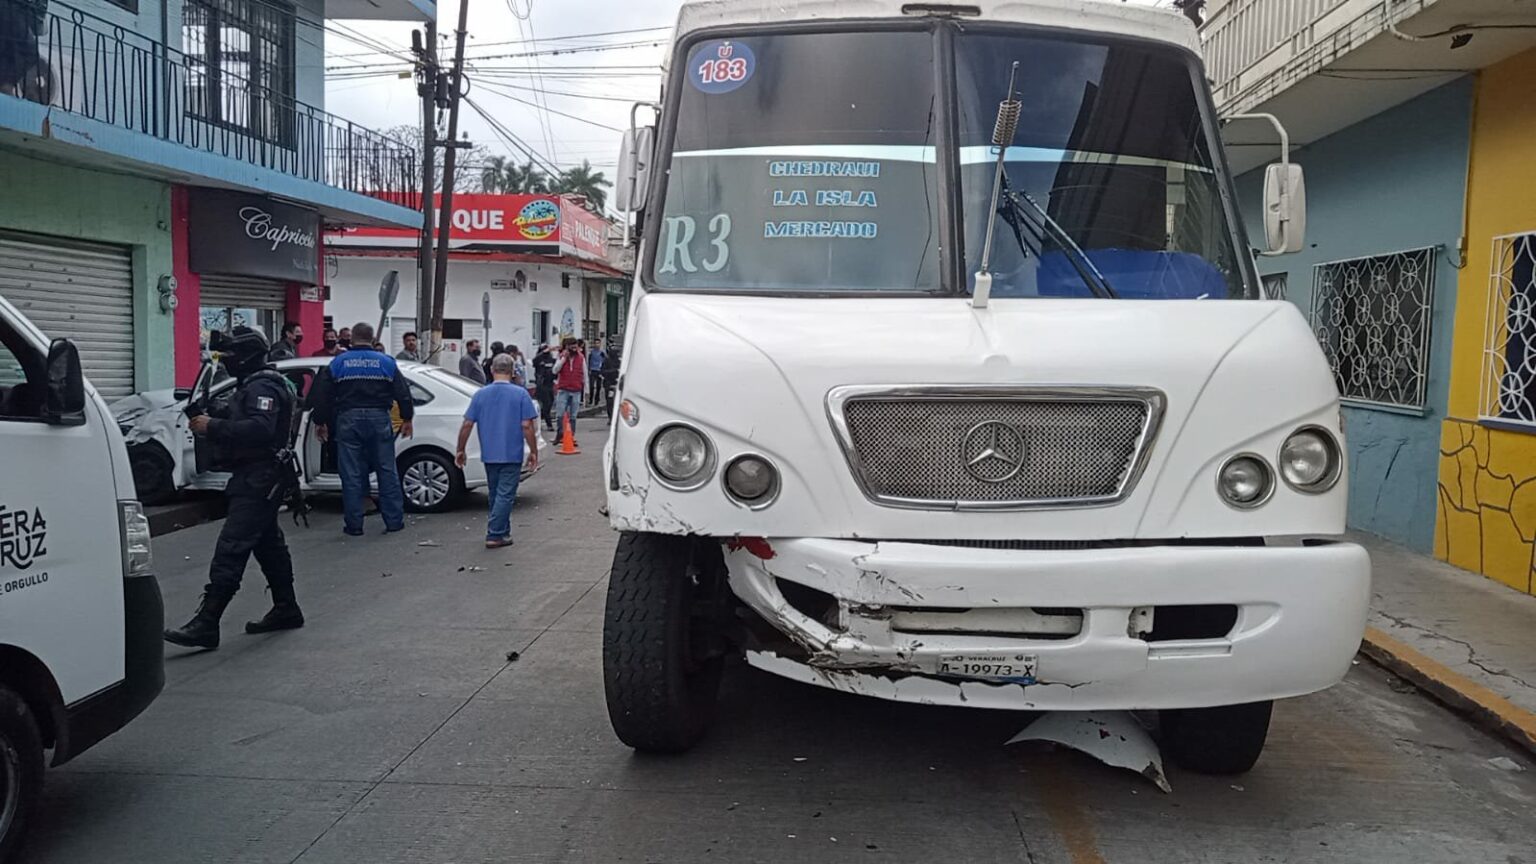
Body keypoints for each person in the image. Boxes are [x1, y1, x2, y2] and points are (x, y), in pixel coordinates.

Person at [165, 327, 304, 649]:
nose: (227, 362)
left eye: (230, 356)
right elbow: (248, 416)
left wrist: (212, 426)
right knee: (268, 546)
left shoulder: (263, 386)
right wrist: (215, 413)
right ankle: (286, 607)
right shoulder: (256, 385)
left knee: (232, 546)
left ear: (246, 358)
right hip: (259, 476)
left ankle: (207, 622)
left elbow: (260, 429)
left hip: (259, 477)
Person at [307, 322, 414, 536]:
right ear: (372, 339)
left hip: (348, 419)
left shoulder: (338, 363)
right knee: (386, 470)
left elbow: (322, 395)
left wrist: (321, 422)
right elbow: (403, 393)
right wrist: (406, 418)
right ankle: (394, 521)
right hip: (379, 419)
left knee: (351, 473)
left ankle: (354, 525)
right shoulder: (386, 362)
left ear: (352, 339)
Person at [455, 353, 540, 548]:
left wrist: (461, 449)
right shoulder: (520, 394)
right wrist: (533, 451)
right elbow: (527, 425)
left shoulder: (480, 394)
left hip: (489, 452)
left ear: (492, 370)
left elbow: (467, 424)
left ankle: (503, 531)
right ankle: (495, 534)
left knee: (495, 493)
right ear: (512, 372)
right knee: (505, 494)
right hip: (511, 452)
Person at [552, 338, 586, 443]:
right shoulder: (561, 357)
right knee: (560, 414)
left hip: (576, 389)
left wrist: (587, 391)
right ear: (567, 347)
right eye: (572, 346)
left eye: (575, 346)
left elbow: (585, 374)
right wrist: (563, 359)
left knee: (573, 415)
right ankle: (560, 434)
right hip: (563, 389)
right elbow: (555, 370)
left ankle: (571, 436)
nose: (574, 349)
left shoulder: (581, 358)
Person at [532, 343, 556, 431]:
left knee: (550, 403)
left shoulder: (551, 360)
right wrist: (542, 353)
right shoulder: (539, 360)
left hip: (550, 384)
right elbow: (534, 362)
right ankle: (549, 424)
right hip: (542, 385)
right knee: (546, 403)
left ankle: (541, 417)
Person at [587, 339, 608, 406]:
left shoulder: (602, 353)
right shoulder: (592, 352)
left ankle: (596, 400)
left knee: (598, 387)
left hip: (599, 371)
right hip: (593, 370)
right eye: (595, 343)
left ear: (600, 344)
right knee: (592, 386)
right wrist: (589, 370)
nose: (597, 345)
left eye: (598, 343)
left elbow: (605, 361)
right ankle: (590, 400)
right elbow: (589, 361)